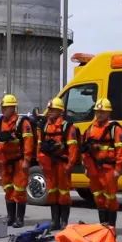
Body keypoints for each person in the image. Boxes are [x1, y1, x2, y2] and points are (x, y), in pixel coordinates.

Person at [80, 99, 122, 227]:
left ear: (108, 113)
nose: (99, 114)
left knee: (110, 198)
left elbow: (121, 150)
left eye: (102, 112)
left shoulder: (115, 129)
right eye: (97, 112)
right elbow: (84, 150)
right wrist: (87, 167)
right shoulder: (90, 129)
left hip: (109, 169)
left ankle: (111, 227)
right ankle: (103, 226)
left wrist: (118, 169)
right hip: (94, 168)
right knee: (98, 197)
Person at [38, 97, 81, 230]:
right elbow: (39, 145)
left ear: (60, 111)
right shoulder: (45, 126)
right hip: (49, 164)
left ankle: (64, 221)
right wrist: (41, 160)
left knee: (63, 193)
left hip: (62, 164)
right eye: (49, 109)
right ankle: (54, 221)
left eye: (53, 109)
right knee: (52, 191)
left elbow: (73, 148)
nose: (50, 112)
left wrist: (70, 165)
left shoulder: (67, 127)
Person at [0, 94, 35, 229]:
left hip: (19, 161)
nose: (3, 110)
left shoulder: (22, 123)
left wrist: (27, 160)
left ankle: (19, 219)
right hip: (6, 161)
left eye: (5, 107)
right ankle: (10, 217)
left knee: (20, 190)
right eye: (2, 107)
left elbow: (28, 142)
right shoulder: (0, 122)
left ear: (12, 108)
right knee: (8, 189)